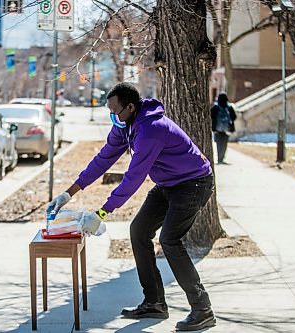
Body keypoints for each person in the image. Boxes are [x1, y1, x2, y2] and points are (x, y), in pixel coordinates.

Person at [47, 82, 216, 331]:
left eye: (115, 112)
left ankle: (202, 309)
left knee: (170, 240)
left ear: (130, 106)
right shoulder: (124, 126)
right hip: (168, 184)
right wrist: (68, 193)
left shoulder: (152, 130)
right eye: (109, 112)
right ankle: (155, 302)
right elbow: (103, 158)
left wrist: (102, 212)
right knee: (139, 231)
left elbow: (133, 177)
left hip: (193, 183)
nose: (112, 117)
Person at [210, 92, 237, 164]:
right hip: (227, 129)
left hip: (217, 129)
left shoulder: (216, 107)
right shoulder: (229, 107)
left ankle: (219, 159)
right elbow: (234, 117)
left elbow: (211, 116)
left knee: (219, 144)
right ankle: (222, 158)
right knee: (224, 144)